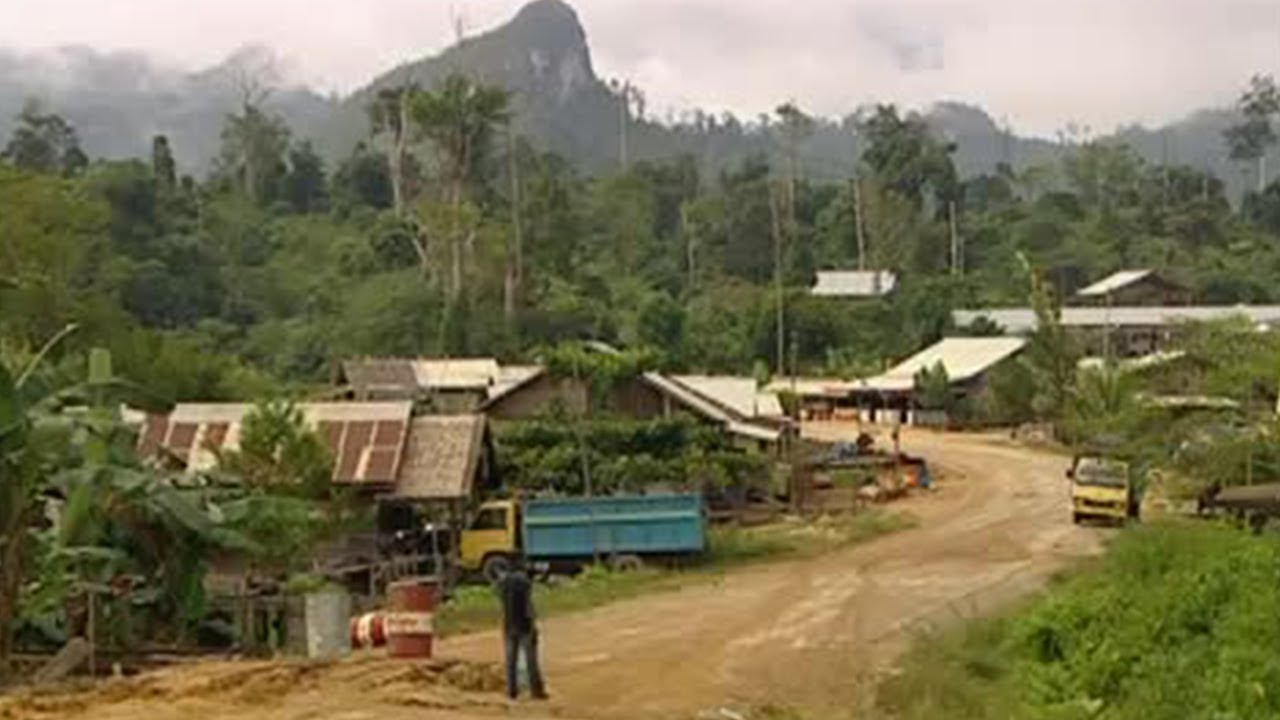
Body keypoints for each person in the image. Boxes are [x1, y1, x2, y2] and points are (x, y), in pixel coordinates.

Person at [497, 560, 547, 701]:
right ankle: (536, 690)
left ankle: (512, 691)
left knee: (510, 659)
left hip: (509, 624)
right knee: (531, 659)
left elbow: (502, 603)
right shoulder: (525, 583)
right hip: (524, 625)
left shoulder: (503, 583)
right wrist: (533, 623)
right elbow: (528, 606)